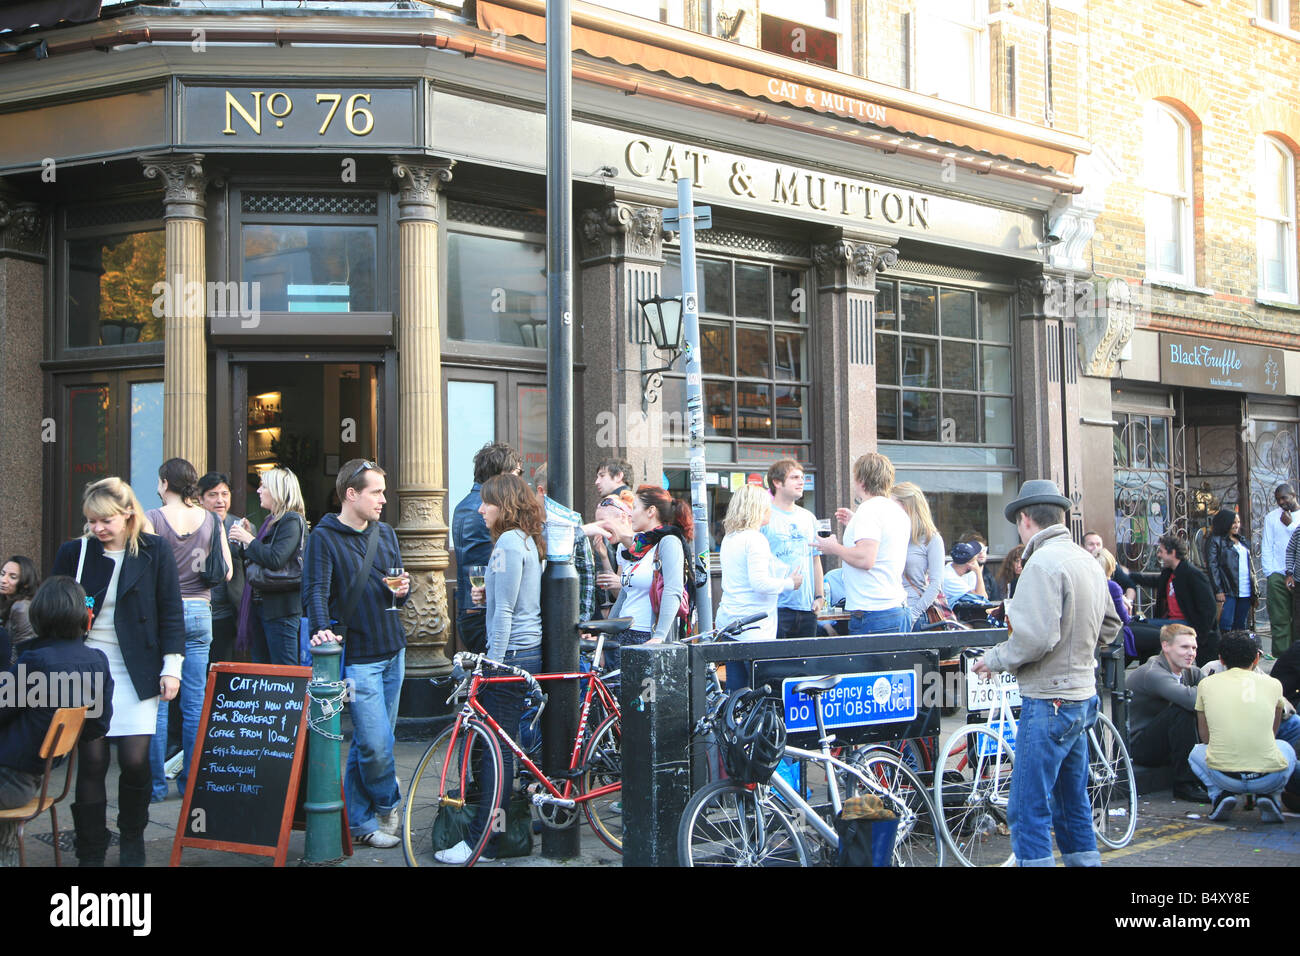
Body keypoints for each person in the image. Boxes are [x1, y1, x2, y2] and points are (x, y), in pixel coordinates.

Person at [974, 478, 1121, 867]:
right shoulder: (1085, 559)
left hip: (1050, 700)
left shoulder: (1041, 563)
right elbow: (1111, 625)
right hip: (1082, 695)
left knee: (1026, 808)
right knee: (1072, 803)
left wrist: (993, 659)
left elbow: (1034, 639)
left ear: (1024, 519)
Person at [51, 476, 185, 866]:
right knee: (92, 761)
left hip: (136, 668)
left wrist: (172, 666)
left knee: (135, 761)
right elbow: (53, 606)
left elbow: (170, 612)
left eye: (105, 520)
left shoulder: (154, 550)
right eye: (91, 520)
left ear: (128, 515)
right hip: (87, 669)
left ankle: (132, 838)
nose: (97, 528)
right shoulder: (74, 552)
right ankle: (90, 853)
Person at [435, 473, 544, 865]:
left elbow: (507, 615)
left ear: (505, 506)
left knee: (495, 753)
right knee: (502, 748)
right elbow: (512, 601)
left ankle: (483, 842)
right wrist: (488, 595)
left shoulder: (507, 546)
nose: (480, 509)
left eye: (487, 503)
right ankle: (491, 837)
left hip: (511, 654)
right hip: (524, 652)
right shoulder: (524, 542)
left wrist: (492, 664)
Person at [303, 459, 411, 849]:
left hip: (393, 647)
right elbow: (314, 589)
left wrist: (403, 591)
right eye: (376, 492)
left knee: (369, 744)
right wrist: (321, 629)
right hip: (359, 655)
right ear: (351, 494)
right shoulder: (324, 537)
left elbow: (398, 584)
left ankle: (359, 822)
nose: (383, 499)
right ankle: (387, 801)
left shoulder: (385, 533)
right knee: (377, 745)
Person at [144, 457, 232, 801]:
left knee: (159, 703)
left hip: (164, 615)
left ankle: (154, 787)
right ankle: (191, 784)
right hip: (200, 611)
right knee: (194, 703)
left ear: (165, 482)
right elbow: (225, 572)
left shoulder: (153, 519)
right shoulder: (210, 519)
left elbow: (145, 568)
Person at [0, 578, 113, 812]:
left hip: (9, 782)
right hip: (34, 780)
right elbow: (96, 728)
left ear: (39, 613)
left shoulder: (37, 661)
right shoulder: (97, 661)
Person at [1190, 630, 1296, 823]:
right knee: (1285, 747)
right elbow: (1273, 731)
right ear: (1257, 658)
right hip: (1268, 775)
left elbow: (1205, 736)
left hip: (1224, 775)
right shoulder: (1273, 684)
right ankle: (1270, 795)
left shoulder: (1206, 684)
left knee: (1195, 752)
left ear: (1221, 659)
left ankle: (1219, 795)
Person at [811, 453, 910, 635]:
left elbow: (866, 559)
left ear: (861, 480)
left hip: (874, 613)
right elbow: (882, 546)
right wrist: (855, 522)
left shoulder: (869, 510)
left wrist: (834, 548)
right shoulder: (895, 511)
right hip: (894, 608)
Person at [716, 486, 803, 687]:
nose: (771, 509)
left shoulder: (730, 538)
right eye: (767, 505)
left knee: (737, 691)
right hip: (754, 627)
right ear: (757, 508)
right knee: (760, 691)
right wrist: (790, 583)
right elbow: (760, 583)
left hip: (730, 623)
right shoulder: (755, 539)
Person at [604, 485, 693, 668]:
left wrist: (659, 636)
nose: (630, 515)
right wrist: (605, 635)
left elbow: (673, 589)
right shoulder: (640, 546)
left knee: (637, 696)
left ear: (651, 511)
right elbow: (625, 594)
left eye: (635, 508)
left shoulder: (668, 541)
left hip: (645, 635)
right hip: (624, 633)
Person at [230, 467, 308, 667]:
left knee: (284, 670)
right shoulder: (270, 522)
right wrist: (248, 542)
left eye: (263, 486)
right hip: (262, 605)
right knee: (263, 669)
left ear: (277, 491)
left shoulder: (291, 520)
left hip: (281, 609)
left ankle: (292, 701)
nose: (258, 491)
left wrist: (249, 539)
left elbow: (275, 559)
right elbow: (259, 558)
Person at [452, 442, 522, 655]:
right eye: (516, 473)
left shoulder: (463, 505)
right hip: (484, 613)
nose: (519, 480)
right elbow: (493, 565)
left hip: (472, 611)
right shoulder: (486, 509)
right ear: (502, 474)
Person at [1126, 623, 1208, 803]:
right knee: (1183, 709)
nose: (1191, 653)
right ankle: (1184, 785)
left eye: (1194, 648)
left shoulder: (1190, 672)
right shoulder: (1153, 672)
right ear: (1166, 646)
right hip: (1140, 747)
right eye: (1184, 647)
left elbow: (1213, 694)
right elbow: (1193, 700)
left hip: (1168, 740)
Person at [1127, 533, 1220, 666]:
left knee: (1139, 630)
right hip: (1172, 622)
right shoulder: (1169, 573)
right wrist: (1129, 575)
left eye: (1161, 551)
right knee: (1135, 629)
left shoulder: (1193, 575)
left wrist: (1200, 636)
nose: (1158, 555)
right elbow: (1153, 581)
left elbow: (1209, 609)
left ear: (1173, 553)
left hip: (1189, 625)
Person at [761, 459, 823, 639]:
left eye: (802, 477)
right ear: (777, 482)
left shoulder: (808, 517)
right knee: (777, 665)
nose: (801, 481)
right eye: (795, 477)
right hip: (776, 606)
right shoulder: (765, 517)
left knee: (806, 665)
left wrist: (819, 596)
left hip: (807, 607)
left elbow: (815, 559)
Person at [530, 464, 597, 623]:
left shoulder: (572, 520)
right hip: (532, 615)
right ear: (541, 491)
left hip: (565, 611)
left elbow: (586, 569)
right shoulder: (525, 520)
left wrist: (583, 618)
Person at [197, 473, 247, 665]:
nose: (220, 500)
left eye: (224, 494)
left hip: (229, 612)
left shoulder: (240, 526)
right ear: (200, 498)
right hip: (200, 608)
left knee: (223, 669)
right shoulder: (194, 524)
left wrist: (248, 541)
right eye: (213, 495)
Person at [888, 482, 944, 629]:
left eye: (893, 505)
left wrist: (913, 615)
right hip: (890, 611)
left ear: (907, 506)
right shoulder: (892, 535)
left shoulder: (931, 538)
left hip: (915, 613)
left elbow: (936, 584)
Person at [1204, 507, 1255, 633]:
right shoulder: (1215, 540)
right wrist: (1218, 590)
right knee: (1225, 625)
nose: (1236, 525)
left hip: (1245, 590)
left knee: (1240, 625)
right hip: (1227, 590)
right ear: (1225, 522)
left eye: (1238, 522)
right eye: (1233, 522)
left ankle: (1238, 651)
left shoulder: (1241, 540)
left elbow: (1250, 566)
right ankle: (1223, 652)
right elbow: (1212, 566)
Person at [1262, 484, 1299, 655]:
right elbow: (1267, 545)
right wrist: (1269, 572)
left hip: (1297, 574)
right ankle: (1281, 658)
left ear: (1294, 495)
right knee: (1279, 618)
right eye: (1278, 499)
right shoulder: (1271, 517)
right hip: (1278, 573)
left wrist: (1291, 525)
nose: (1281, 502)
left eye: (1284, 498)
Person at [1094, 547, 1136, 661]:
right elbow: (1125, 619)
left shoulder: (1090, 584)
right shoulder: (1112, 586)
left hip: (1096, 634)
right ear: (1111, 567)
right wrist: (1128, 608)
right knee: (1155, 638)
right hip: (1111, 634)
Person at [0, 555, 39, 661]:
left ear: (26, 583)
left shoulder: (21, 607)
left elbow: (20, 651)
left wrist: (8, 676)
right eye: (2, 574)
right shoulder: (7, 601)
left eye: (12, 577)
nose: (3, 580)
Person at [1085, 530, 1135, 607]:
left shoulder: (1112, 566)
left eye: (1098, 544)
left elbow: (1130, 585)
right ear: (1082, 547)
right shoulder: (1080, 567)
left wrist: (1128, 602)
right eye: (1091, 544)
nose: (1095, 547)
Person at [941, 541, 988, 608]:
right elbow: (982, 598)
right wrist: (978, 572)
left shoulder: (951, 568)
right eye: (975, 560)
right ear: (970, 564)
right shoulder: (950, 578)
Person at [960, 532, 1000, 601]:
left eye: (984, 550)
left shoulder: (989, 577)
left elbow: (995, 600)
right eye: (978, 551)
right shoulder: (963, 575)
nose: (981, 553)